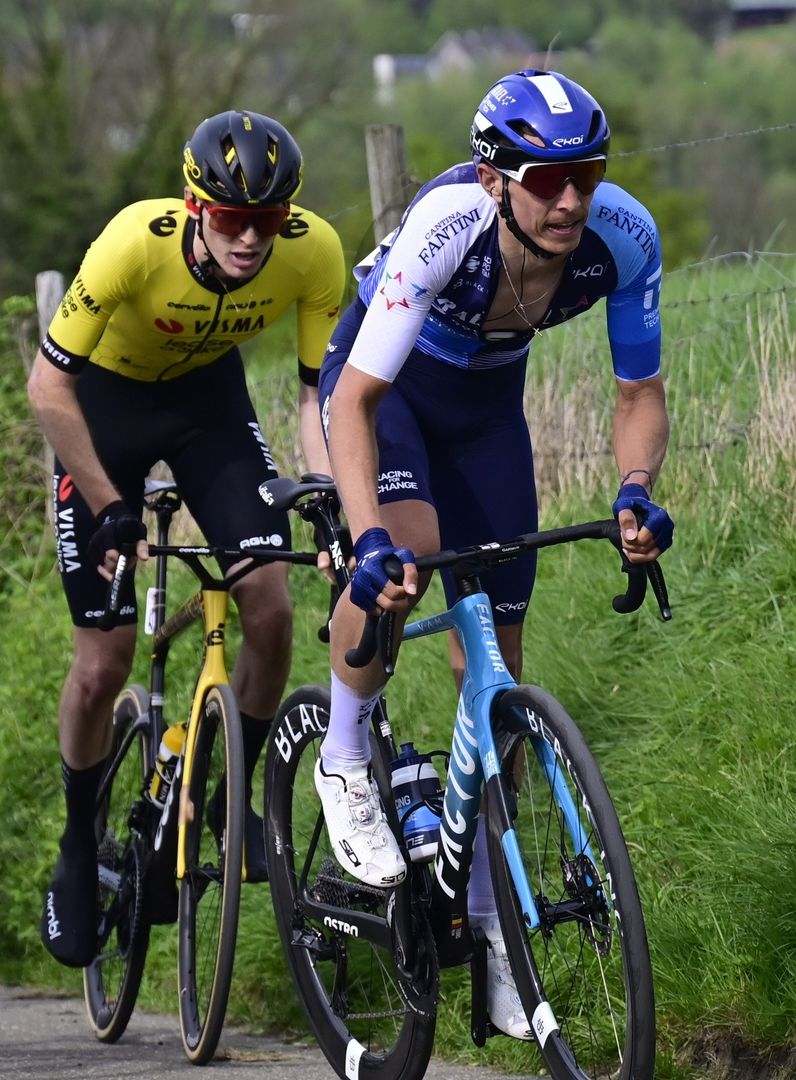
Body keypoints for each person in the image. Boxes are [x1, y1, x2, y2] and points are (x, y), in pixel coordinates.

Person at [313, 70, 671, 1040]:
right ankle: (345, 751)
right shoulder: (447, 227)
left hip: (485, 419)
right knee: (409, 554)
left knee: (499, 675)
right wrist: (366, 535)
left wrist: (635, 493)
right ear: (493, 176)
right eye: (545, 179)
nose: (569, 199)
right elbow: (352, 401)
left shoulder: (621, 237)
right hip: (388, 395)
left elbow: (639, 393)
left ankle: (491, 917)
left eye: (585, 174)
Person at [27, 109, 346, 966]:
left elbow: (319, 400)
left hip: (211, 409)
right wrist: (107, 502)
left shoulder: (316, 252)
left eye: (269, 222)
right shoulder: (135, 241)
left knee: (271, 607)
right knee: (103, 662)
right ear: (194, 204)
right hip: (105, 412)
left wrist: (328, 494)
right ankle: (76, 839)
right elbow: (46, 389)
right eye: (233, 219)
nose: (251, 240)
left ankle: (222, 790)